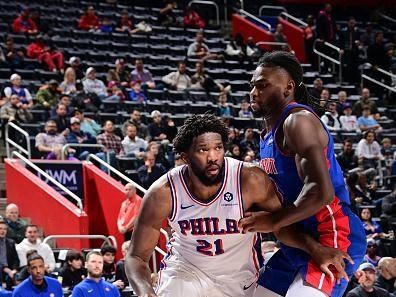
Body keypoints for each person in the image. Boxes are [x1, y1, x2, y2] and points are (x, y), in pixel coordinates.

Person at [125, 113, 353, 297]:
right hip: (185, 273)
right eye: (203, 150)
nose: (213, 156)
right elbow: (136, 257)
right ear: (185, 156)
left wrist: (315, 249)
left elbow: (281, 226)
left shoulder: (249, 180)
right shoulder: (163, 192)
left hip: (239, 279)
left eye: (218, 148)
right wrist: (145, 291)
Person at [247, 51, 366, 297]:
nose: (254, 92)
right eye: (252, 86)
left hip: (331, 232)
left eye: (263, 85)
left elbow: (320, 191)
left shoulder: (298, 121)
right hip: (300, 239)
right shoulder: (267, 136)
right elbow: (280, 210)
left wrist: (273, 221)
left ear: (288, 86)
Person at [0, 221, 19, 290]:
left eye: (5, 229)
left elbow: (16, 259)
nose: (3, 231)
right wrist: (4, 268)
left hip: (10, 270)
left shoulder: (11, 242)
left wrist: (14, 270)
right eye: (0, 229)